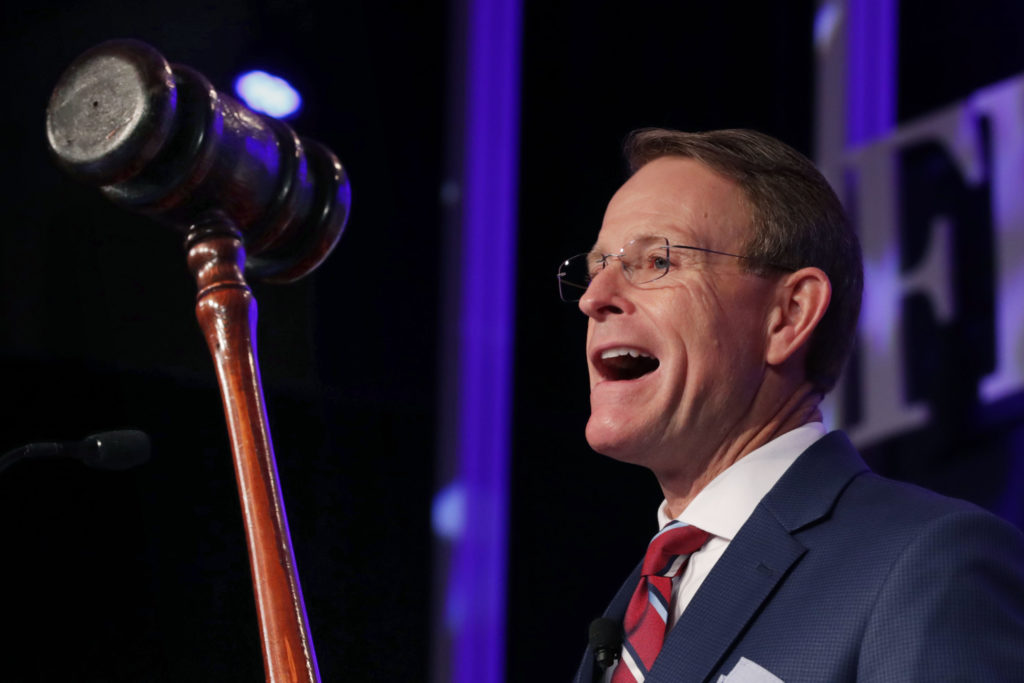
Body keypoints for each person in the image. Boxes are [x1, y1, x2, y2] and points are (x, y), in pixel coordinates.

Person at [559, 128, 1024, 683]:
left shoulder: (927, 562)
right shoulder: (632, 606)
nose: (593, 297)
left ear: (790, 314)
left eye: (656, 260)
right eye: (595, 267)